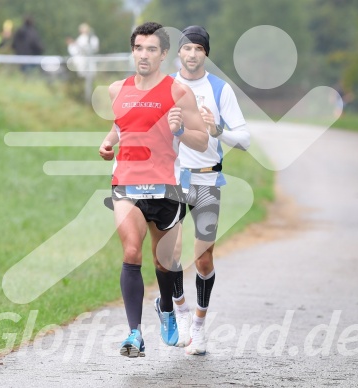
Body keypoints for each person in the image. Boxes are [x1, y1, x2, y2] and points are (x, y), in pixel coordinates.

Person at [98, 22, 208, 358]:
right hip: (126, 182)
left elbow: (201, 139)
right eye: (138, 48)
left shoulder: (178, 92)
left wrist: (178, 132)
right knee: (131, 252)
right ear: (133, 51)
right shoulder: (118, 89)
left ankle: (166, 308)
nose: (143, 55)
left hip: (166, 187)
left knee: (166, 261)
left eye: (151, 49)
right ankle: (133, 334)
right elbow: (122, 123)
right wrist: (107, 142)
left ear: (162, 55)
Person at [168, 25, 251, 355]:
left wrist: (218, 130)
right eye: (186, 49)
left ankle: (200, 327)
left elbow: (244, 139)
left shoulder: (219, 90)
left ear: (205, 54)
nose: (191, 54)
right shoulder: (165, 87)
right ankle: (182, 314)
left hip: (206, 181)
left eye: (198, 49)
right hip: (172, 180)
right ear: (179, 53)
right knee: (169, 255)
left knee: (203, 258)